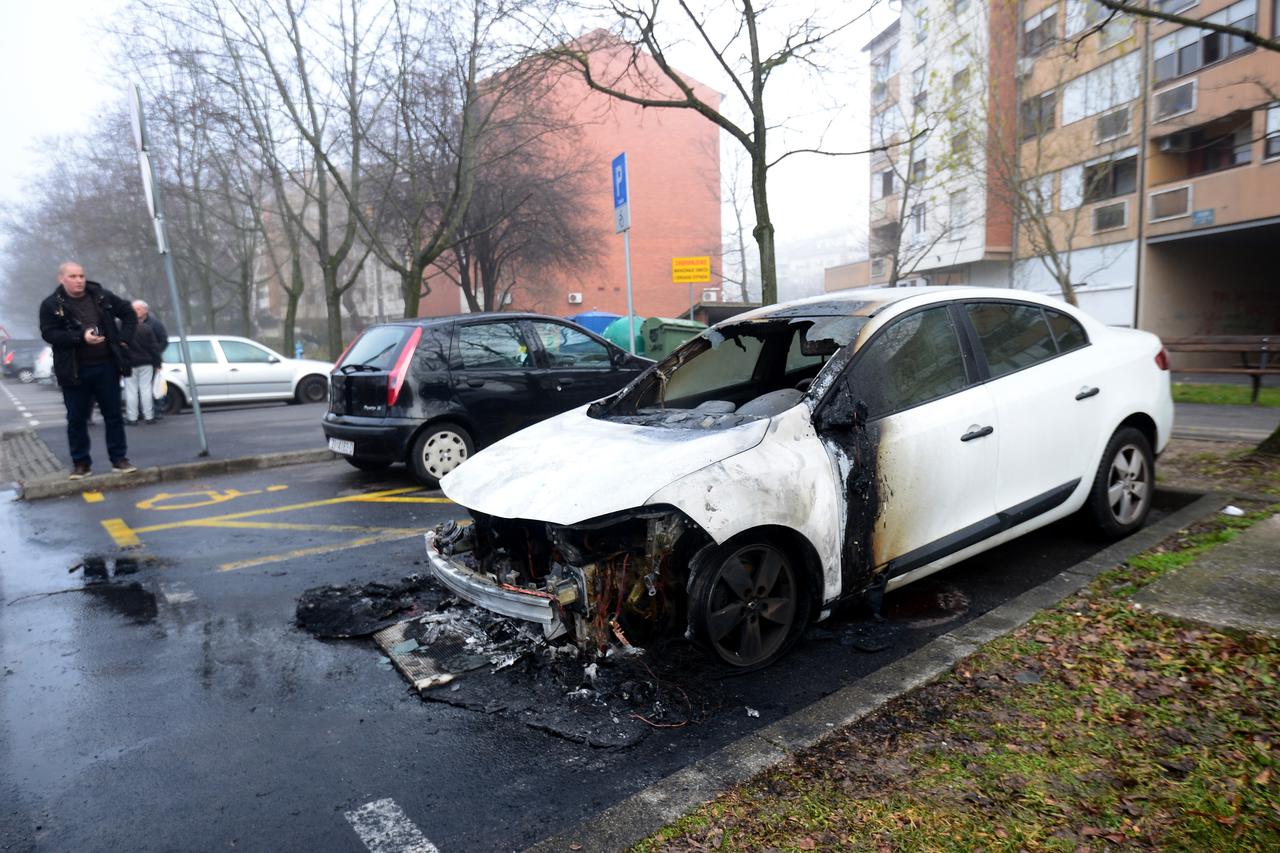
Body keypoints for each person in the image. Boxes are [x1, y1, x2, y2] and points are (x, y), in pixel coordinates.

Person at [38, 262, 139, 479]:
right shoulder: (51, 305)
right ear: (62, 279)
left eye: (81, 275)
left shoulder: (102, 296)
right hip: (74, 370)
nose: (79, 280)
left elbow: (129, 313)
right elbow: (49, 334)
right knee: (76, 419)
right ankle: (81, 463)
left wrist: (123, 341)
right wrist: (80, 338)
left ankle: (119, 459)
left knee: (113, 415)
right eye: (73, 276)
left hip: (106, 366)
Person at [122, 300, 161, 424]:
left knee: (131, 391)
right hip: (146, 363)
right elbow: (154, 347)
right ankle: (149, 416)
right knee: (146, 389)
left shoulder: (123, 329)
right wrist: (157, 363)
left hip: (129, 363)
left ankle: (132, 417)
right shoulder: (147, 328)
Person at [141, 302, 169, 418]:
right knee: (140, 389)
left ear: (145, 310)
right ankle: (142, 412)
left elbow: (163, 340)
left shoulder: (155, 324)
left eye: (138, 309)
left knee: (154, 386)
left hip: (152, 360)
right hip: (136, 361)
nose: (135, 311)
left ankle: (157, 411)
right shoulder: (129, 322)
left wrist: (155, 352)